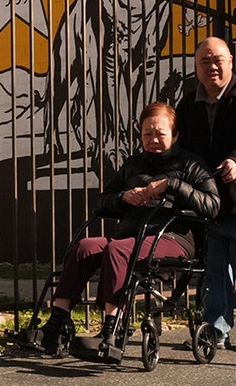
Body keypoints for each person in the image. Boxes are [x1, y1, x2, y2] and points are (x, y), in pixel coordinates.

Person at [38, 102, 220, 353]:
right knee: (85, 247)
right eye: (147, 134)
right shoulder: (133, 164)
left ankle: (112, 329)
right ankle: (56, 323)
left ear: (175, 135)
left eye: (160, 133)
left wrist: (173, 185)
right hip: (131, 235)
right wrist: (124, 197)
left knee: (118, 250)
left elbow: (212, 205)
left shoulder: (192, 164)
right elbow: (102, 201)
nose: (153, 139)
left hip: (172, 238)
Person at [175, 37, 236, 354]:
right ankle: (216, 330)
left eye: (218, 59)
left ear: (231, 61)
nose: (212, 66)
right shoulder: (188, 104)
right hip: (208, 205)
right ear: (196, 67)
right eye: (204, 61)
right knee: (215, 271)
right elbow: (183, 150)